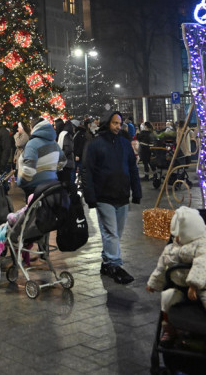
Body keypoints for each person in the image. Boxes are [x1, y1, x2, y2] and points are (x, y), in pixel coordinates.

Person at [146, 206, 206, 353]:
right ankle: (169, 328)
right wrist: (154, 283)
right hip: (179, 286)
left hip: (204, 286)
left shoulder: (203, 246)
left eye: (179, 235)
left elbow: (203, 264)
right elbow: (161, 266)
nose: (176, 238)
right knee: (167, 298)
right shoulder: (172, 248)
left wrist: (194, 284)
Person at [81, 111, 142, 284]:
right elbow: (88, 171)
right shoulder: (95, 144)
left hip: (122, 195)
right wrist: (90, 196)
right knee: (110, 232)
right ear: (108, 123)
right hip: (104, 196)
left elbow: (132, 168)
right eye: (115, 123)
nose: (117, 126)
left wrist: (136, 191)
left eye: (119, 123)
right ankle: (115, 265)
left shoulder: (124, 143)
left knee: (116, 233)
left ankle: (107, 262)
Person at [17, 118, 65, 198]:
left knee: (35, 209)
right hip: (51, 184)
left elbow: (29, 169)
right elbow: (63, 161)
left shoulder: (32, 144)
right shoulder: (54, 143)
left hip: (35, 187)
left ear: (34, 128)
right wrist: (51, 171)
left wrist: (21, 182)